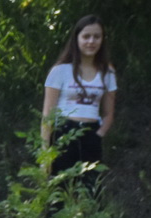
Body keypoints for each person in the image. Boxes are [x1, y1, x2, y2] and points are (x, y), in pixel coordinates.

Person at [41, 15, 118, 194]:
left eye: (96, 37)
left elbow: (108, 112)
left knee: (91, 193)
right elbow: (47, 114)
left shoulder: (108, 71)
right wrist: (45, 153)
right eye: (86, 36)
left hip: (91, 134)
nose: (91, 41)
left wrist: (99, 134)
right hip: (63, 135)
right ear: (77, 38)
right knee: (59, 193)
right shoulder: (60, 71)